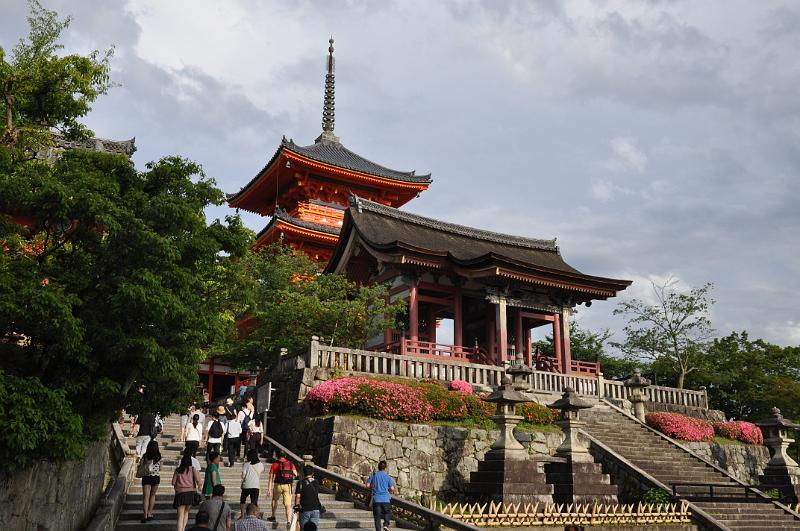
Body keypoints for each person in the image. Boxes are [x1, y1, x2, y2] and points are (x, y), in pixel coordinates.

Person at [172, 453, 203, 531]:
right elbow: (199, 480)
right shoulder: (192, 469)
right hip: (190, 494)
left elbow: (173, 482)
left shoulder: (178, 470)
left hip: (180, 494)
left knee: (180, 516)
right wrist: (199, 486)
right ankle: (183, 529)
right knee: (186, 513)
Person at [268, 450, 297, 523]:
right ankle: (289, 521)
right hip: (288, 486)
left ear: (277, 456)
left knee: (275, 500)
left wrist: (269, 489)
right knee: (288, 505)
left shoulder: (274, 464)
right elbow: (296, 474)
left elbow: (271, 478)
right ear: (285, 456)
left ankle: (273, 516)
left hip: (278, 485)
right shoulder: (291, 464)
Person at [366, 460, 396, 531]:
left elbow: (367, 485)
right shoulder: (388, 477)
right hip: (386, 499)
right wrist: (389, 489)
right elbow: (392, 489)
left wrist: (373, 486)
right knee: (387, 512)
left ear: (378, 467)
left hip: (376, 499)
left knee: (377, 517)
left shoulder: (373, 475)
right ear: (385, 468)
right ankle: (386, 524)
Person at [140, 439, 162, 523]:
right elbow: (161, 468)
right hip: (156, 477)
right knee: (152, 495)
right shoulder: (159, 456)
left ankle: (145, 516)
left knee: (145, 497)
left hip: (146, 477)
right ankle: (150, 513)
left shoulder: (145, 455)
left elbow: (141, 465)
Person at [295, 466, 322, 531]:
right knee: (314, 528)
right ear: (312, 473)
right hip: (315, 508)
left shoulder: (300, 483)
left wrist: (297, 507)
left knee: (304, 528)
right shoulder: (316, 482)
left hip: (304, 509)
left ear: (303, 473)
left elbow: (298, 496)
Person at [241, 449, 265, 517]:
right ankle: (255, 515)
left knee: (243, 500)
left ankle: (242, 514)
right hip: (255, 486)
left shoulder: (246, 464)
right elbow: (263, 470)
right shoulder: (260, 464)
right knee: (254, 502)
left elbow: (243, 476)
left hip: (246, 485)